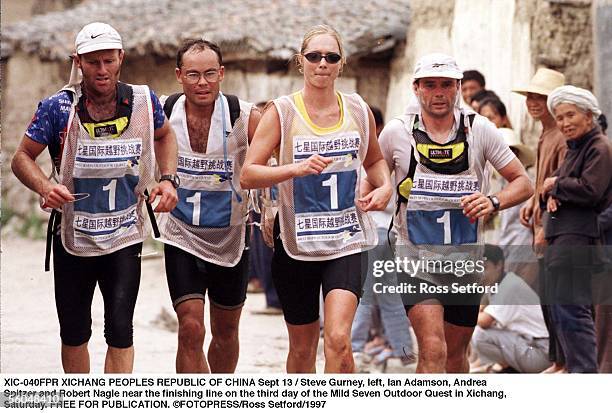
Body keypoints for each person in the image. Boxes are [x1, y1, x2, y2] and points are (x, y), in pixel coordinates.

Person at [10, 22, 178, 373]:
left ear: (121, 58)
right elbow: (21, 157)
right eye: (92, 63)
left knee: (120, 330)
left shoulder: (145, 102)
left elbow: (165, 136)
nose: (102, 71)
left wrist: (167, 178)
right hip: (74, 238)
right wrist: (44, 186)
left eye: (108, 61)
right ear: (78, 62)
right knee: (74, 333)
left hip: (124, 235)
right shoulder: (57, 108)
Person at [241, 25, 393, 373]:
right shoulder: (282, 112)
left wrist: (383, 186)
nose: (322, 63)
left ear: (342, 64)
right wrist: (294, 169)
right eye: (314, 56)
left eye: (331, 57)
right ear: (301, 61)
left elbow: (375, 161)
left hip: (346, 239)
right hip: (296, 241)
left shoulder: (358, 109)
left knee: (339, 339)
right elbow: (249, 172)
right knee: (302, 348)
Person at [378, 53, 533, 373]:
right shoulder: (396, 132)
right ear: (416, 88)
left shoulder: (481, 130)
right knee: (433, 348)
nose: (438, 93)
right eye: (430, 85)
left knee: (455, 354)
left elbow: (523, 183)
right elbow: (372, 178)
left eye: (446, 85)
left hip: (465, 261)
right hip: (415, 259)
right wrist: (379, 191)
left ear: (459, 88)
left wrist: (493, 201)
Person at [156, 39, 261, 373]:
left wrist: (273, 212)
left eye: (210, 74)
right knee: (190, 327)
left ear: (222, 74)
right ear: (179, 75)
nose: (202, 82)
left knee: (226, 332)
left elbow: (275, 160)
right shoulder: (161, 112)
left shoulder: (245, 116)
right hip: (180, 233)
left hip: (230, 235)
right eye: (193, 75)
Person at [541, 85, 612, 373]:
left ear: (588, 115)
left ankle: (584, 373)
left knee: (573, 311)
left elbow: (591, 190)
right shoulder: (576, 149)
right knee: (562, 310)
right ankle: (578, 370)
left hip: (579, 240)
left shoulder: (599, 147)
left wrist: (554, 186)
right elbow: (554, 186)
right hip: (564, 239)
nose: (565, 123)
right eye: (559, 118)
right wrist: (552, 192)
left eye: (570, 115)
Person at [351, 106, 415, 373]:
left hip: (374, 233)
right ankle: (404, 351)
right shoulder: (394, 154)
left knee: (364, 295)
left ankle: (355, 348)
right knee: (389, 295)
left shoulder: (375, 157)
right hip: (388, 235)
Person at [514, 67, 567, 372]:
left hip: (553, 229)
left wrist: (543, 226)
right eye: (530, 97)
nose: (533, 102)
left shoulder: (560, 137)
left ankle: (564, 361)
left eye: (540, 97)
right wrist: (532, 202)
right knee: (547, 297)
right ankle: (557, 360)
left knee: (559, 298)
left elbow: (557, 186)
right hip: (539, 223)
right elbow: (543, 182)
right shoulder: (545, 133)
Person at [471, 245, 551, 373]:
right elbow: (481, 309)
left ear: (499, 265)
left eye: (484, 268)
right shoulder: (496, 283)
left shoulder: (509, 286)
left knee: (480, 334)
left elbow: (484, 321)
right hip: (531, 347)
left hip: (540, 353)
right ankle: (507, 367)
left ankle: (509, 368)